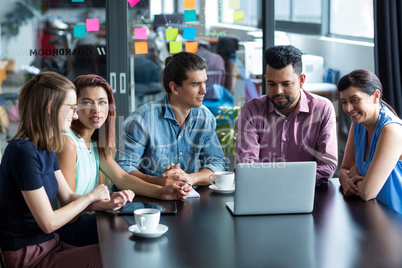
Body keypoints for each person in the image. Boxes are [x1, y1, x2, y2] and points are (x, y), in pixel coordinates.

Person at [0, 71, 134, 268]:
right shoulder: (23, 151)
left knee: (120, 243)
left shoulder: (45, 147)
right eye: (71, 108)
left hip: (49, 244)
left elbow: (67, 197)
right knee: (114, 255)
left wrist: (106, 204)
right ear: (50, 108)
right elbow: (48, 223)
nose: (75, 114)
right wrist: (91, 196)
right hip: (28, 256)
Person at [56, 74, 191, 200]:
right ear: (74, 106)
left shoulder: (95, 143)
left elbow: (121, 178)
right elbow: (68, 202)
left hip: (83, 217)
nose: (96, 109)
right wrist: (105, 205)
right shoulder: (69, 142)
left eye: (102, 102)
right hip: (69, 223)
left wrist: (162, 191)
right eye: (87, 103)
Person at [115, 52, 227, 186]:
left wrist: (190, 178)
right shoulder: (142, 119)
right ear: (175, 88)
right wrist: (160, 181)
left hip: (187, 199)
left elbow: (218, 164)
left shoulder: (204, 118)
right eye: (195, 84)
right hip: (146, 201)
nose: (204, 90)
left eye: (204, 83)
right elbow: (122, 168)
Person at [235, 45, 338, 187]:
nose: (278, 91)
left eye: (286, 84)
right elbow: (245, 165)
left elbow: (327, 165)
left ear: (301, 80)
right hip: (263, 191)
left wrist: (287, 184)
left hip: (308, 193)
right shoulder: (252, 110)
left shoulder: (322, 109)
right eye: (271, 84)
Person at [337, 69, 402, 213]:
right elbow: (343, 169)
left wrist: (354, 176)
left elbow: (367, 193)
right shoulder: (358, 123)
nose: (348, 108)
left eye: (354, 100)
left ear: (375, 96)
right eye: (344, 102)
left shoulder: (391, 130)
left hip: (396, 220)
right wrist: (347, 181)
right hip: (373, 214)